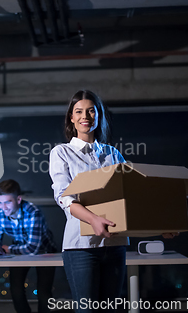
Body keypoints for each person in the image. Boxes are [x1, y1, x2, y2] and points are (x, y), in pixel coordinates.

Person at [49, 90, 128, 313]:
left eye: (92, 111)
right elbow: (63, 196)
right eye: (79, 111)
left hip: (115, 244)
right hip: (81, 247)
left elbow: (130, 195)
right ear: (72, 119)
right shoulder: (61, 152)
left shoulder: (112, 154)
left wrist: (161, 226)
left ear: (99, 116)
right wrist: (93, 219)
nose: (86, 116)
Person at [0, 179, 57, 313]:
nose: (3, 207)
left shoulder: (33, 212)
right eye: (0, 202)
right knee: (16, 289)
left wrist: (8, 249)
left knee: (44, 292)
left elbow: (33, 248)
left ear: (18, 199)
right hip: (19, 250)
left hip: (45, 251)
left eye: (8, 202)